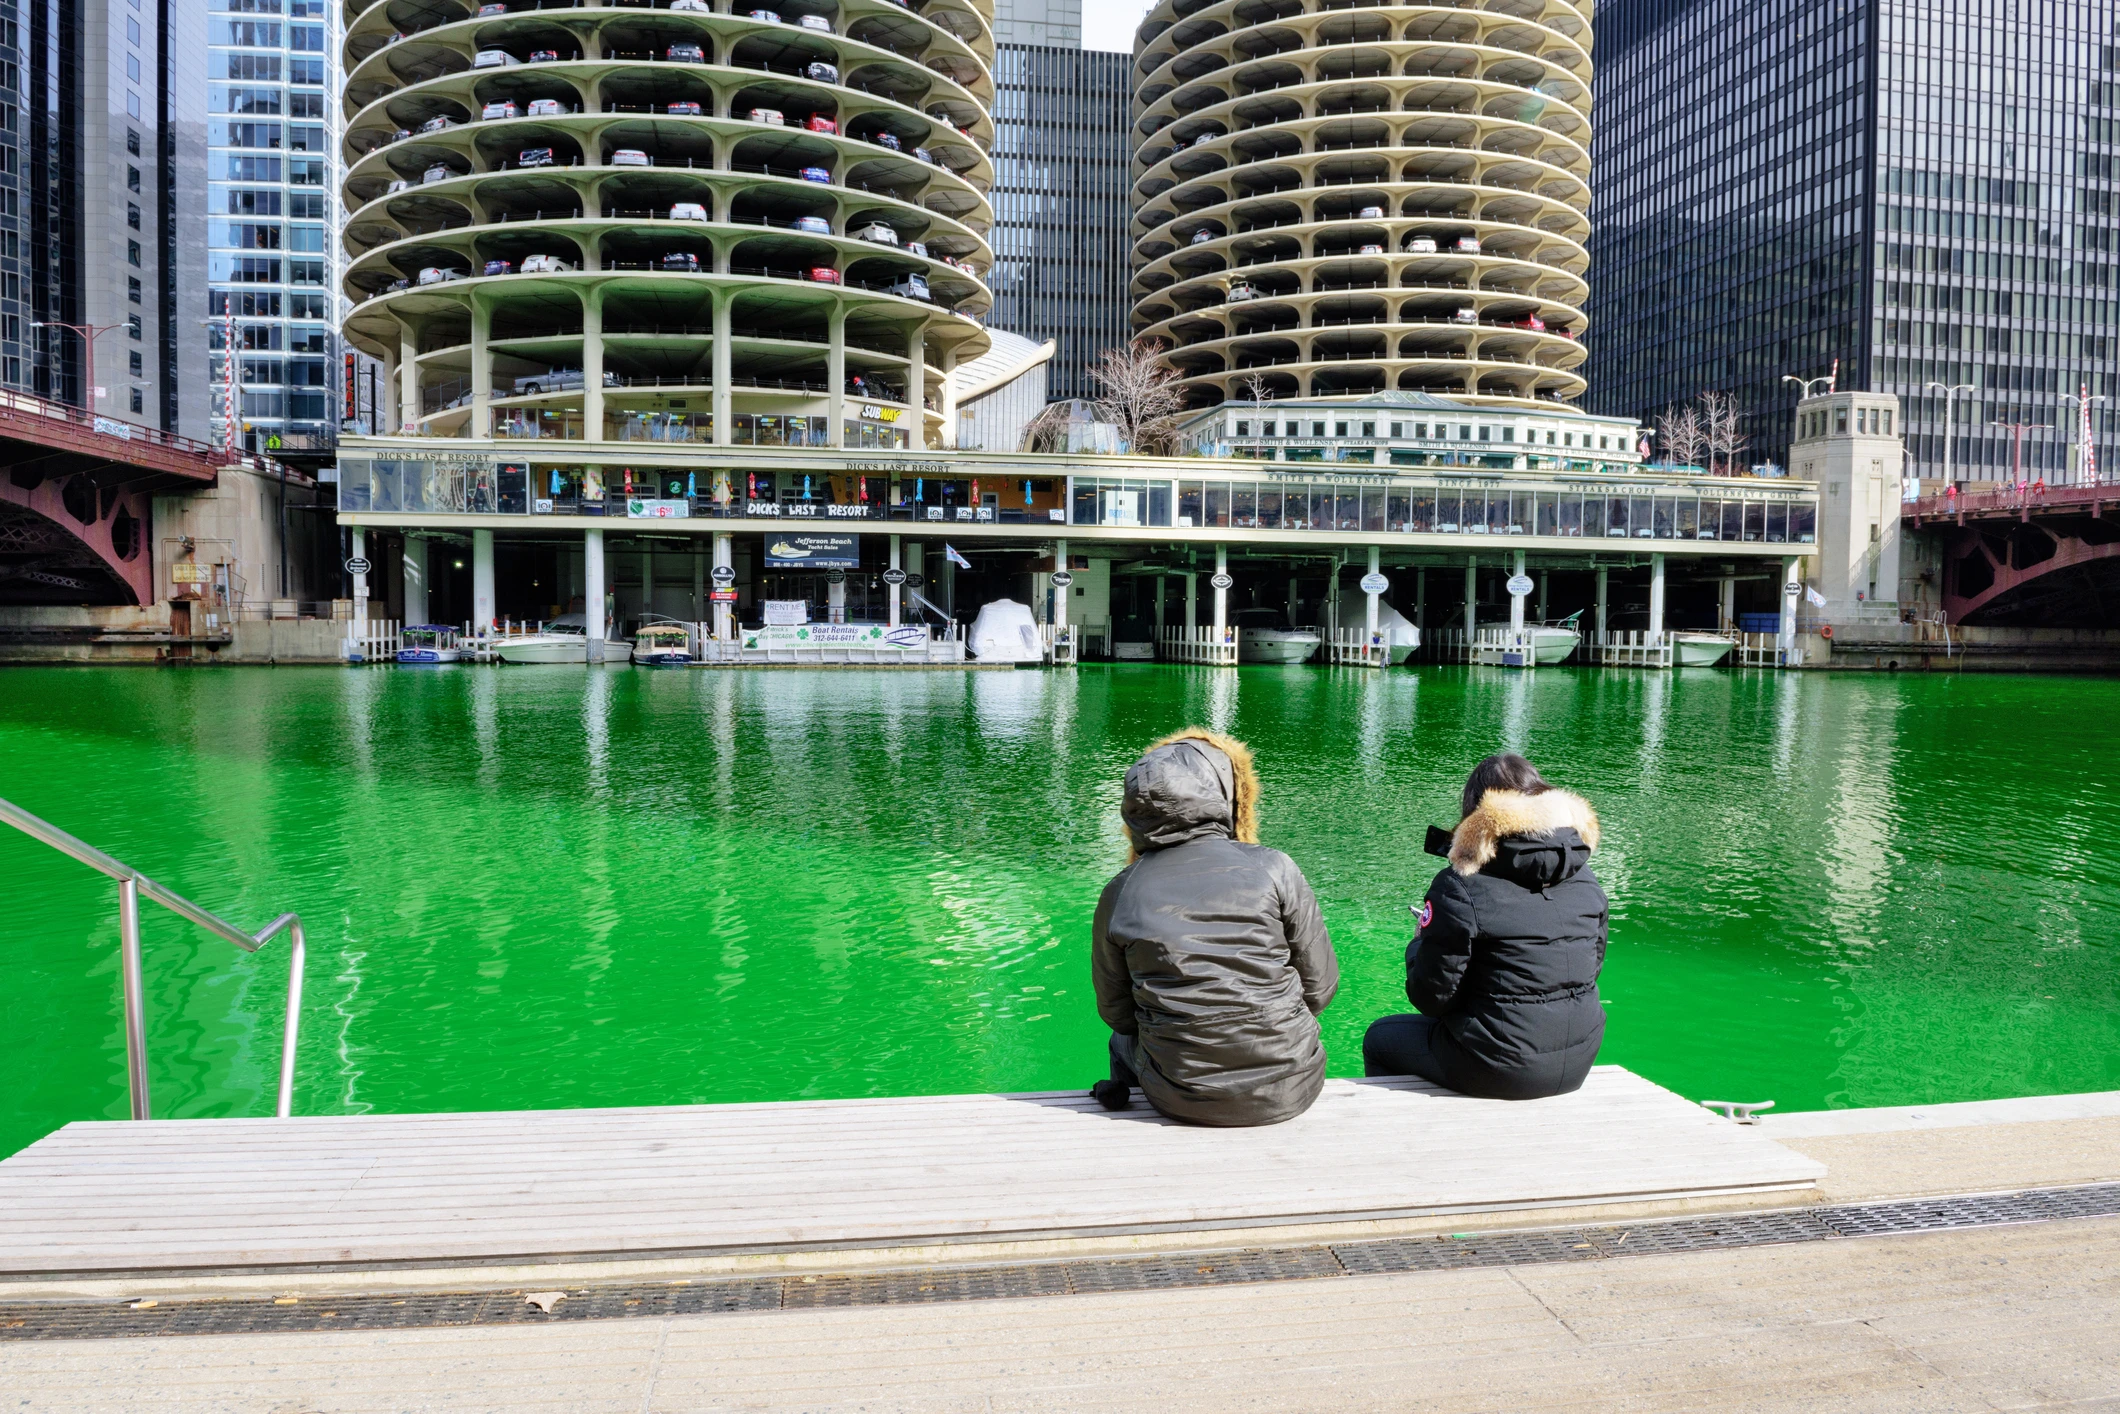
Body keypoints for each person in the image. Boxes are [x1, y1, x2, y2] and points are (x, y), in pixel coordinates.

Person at [1090, 728, 1339, 1126]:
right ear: (1220, 792)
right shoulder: (1275, 867)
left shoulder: (1120, 891)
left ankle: (1131, 1124)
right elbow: (1320, 988)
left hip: (1180, 1096)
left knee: (1121, 1041)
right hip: (1294, 1086)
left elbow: (1117, 1014)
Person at [1363, 753, 1608, 1100]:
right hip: (1580, 1055)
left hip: (1501, 1066)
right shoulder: (1584, 876)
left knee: (1380, 1038)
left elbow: (1430, 998)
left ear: (1475, 813)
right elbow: (1588, 969)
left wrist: (1420, 942)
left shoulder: (1459, 887)